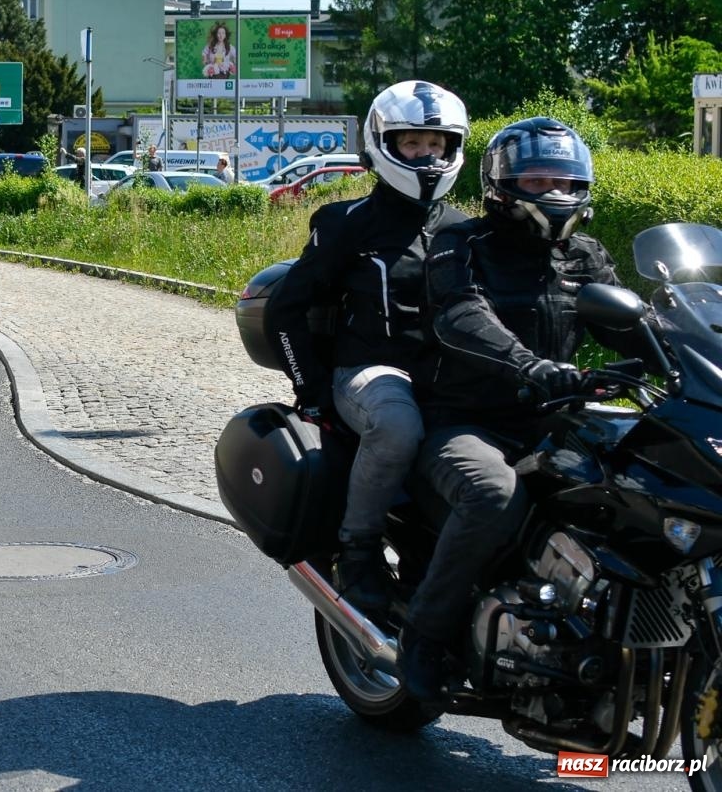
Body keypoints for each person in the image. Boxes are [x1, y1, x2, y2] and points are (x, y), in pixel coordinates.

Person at [398, 117, 640, 701]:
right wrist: (528, 363)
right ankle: (423, 638)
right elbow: (460, 315)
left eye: (565, 181)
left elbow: (629, 324)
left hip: (557, 421)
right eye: (537, 181)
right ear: (502, 185)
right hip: (467, 422)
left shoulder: (584, 253)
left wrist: (672, 346)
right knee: (493, 495)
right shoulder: (462, 241)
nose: (554, 193)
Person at [264, 81, 469, 617]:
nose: (426, 156)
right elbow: (285, 309)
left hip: (447, 378)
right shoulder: (344, 224)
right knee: (398, 426)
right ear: (382, 144)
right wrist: (309, 391)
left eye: (437, 145)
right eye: (412, 144)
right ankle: (359, 549)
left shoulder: (466, 231)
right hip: (367, 372)